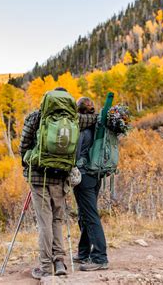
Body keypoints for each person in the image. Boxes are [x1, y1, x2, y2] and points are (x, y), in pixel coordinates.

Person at [19, 87, 97, 279]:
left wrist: (28, 162)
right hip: (61, 177)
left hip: (39, 176)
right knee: (57, 220)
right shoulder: (75, 119)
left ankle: (45, 268)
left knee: (44, 221)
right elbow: (93, 118)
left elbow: (23, 145)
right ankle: (60, 261)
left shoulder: (37, 117)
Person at [72, 97, 108, 271]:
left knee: (90, 215)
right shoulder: (98, 128)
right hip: (96, 175)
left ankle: (99, 257)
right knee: (85, 214)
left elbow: (76, 154)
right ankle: (84, 251)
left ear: (79, 111)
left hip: (84, 176)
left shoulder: (82, 131)